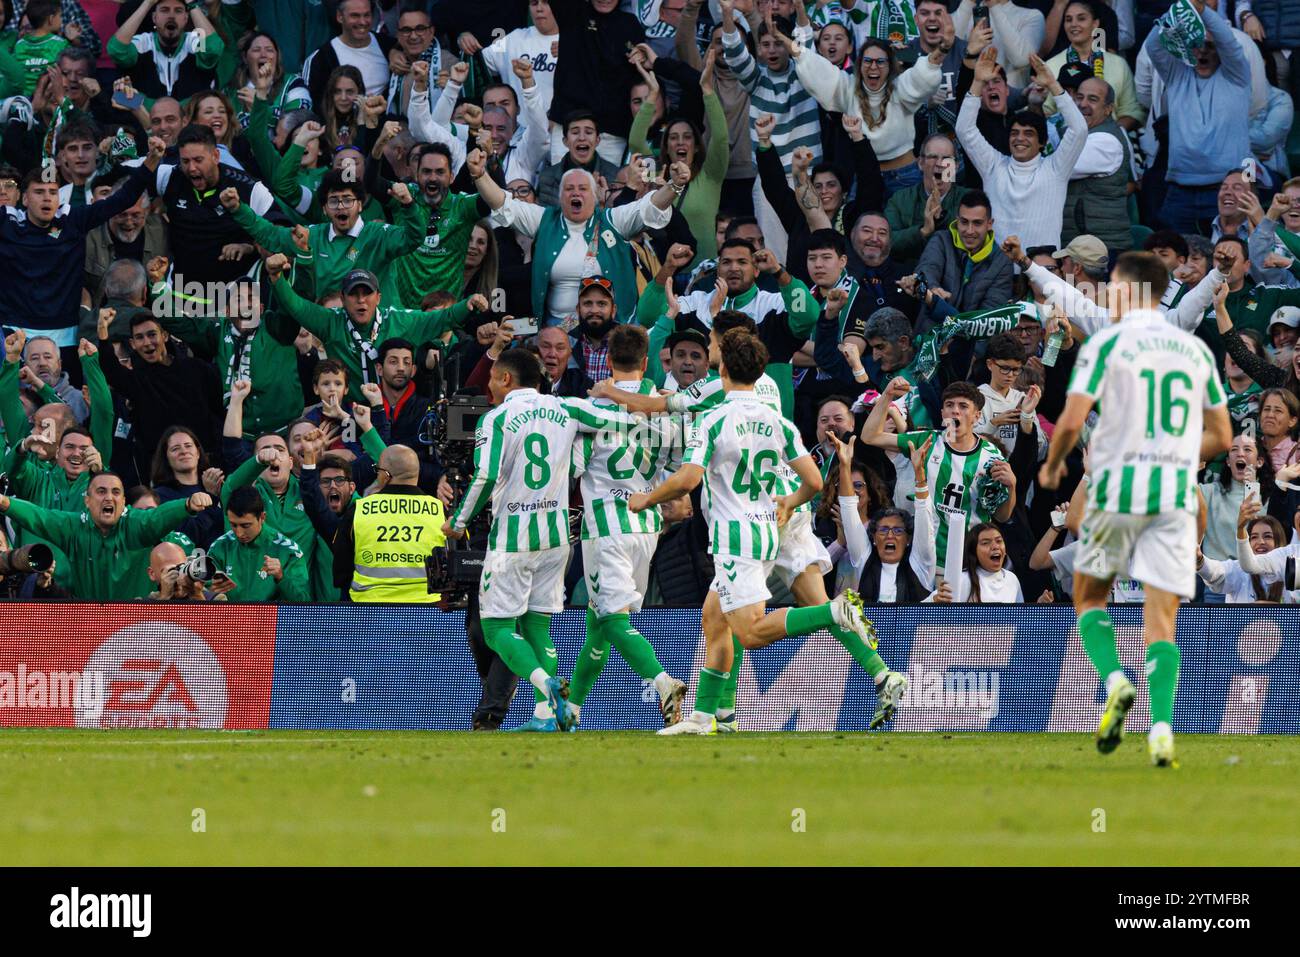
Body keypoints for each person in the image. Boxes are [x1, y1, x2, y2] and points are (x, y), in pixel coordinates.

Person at [1039, 250, 1233, 768]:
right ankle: (1163, 729)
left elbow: (1075, 418)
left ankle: (1116, 681)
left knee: (1088, 598)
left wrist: (1055, 464)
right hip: (1172, 495)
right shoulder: (1191, 352)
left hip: (1118, 490)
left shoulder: (1106, 343)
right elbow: (1223, 433)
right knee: (1162, 620)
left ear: (1129, 290)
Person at [629, 329, 876, 736]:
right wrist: (789, 501)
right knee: (714, 617)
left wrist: (648, 499)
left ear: (722, 368)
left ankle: (834, 611)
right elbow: (814, 481)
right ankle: (707, 717)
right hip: (766, 531)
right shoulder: (776, 420)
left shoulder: (712, 418)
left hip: (734, 538)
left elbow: (688, 479)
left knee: (751, 631)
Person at [443, 348, 635, 732]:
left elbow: (483, 476)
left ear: (506, 379)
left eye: (492, 379)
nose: (489, 388)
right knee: (537, 628)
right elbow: (620, 420)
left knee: (498, 630)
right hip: (556, 538)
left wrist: (458, 521)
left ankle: (545, 685)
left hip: (512, 540)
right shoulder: (566, 408)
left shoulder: (496, 419)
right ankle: (546, 719)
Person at [565, 324, 689, 728]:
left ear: (606, 361)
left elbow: (575, 467)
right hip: (647, 524)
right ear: (648, 361)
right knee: (599, 618)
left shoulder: (590, 408)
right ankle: (571, 709)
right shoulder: (669, 411)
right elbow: (675, 468)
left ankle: (663, 682)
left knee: (612, 615)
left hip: (605, 527)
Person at [472, 147, 683, 326]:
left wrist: (675, 185)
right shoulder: (544, 219)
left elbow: (650, 206)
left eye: (583, 189)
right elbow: (502, 203)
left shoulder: (614, 220)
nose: (576, 193)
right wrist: (479, 175)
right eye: (569, 189)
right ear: (559, 197)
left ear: (594, 196)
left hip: (612, 328)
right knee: (511, 336)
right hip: (555, 329)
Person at [0, 136, 163, 351]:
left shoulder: (73, 221)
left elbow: (121, 199)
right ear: (25, 199)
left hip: (65, 333)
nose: (47, 198)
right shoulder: (7, 223)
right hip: (13, 329)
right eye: (39, 192)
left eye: (52, 192)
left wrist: (151, 161)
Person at [265, 255, 489, 404]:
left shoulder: (399, 321)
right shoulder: (330, 321)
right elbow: (297, 306)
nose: (361, 300)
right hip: (349, 415)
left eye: (367, 293)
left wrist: (467, 305)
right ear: (343, 298)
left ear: (378, 297)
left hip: (396, 411)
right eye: (354, 294)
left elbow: (443, 318)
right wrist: (277, 279)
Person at [862, 377, 1018, 560]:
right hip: (924, 557)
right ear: (942, 412)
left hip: (967, 559)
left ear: (977, 415)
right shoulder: (926, 440)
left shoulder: (991, 458)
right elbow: (870, 436)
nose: (955, 411)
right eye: (950, 405)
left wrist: (1011, 486)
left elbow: (1001, 515)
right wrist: (887, 396)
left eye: (963, 406)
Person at [0, 471, 211, 599]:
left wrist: (187, 505)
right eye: (101, 492)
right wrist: (3, 502)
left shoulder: (137, 524)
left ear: (124, 501)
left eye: (116, 492)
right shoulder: (73, 527)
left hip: (136, 622)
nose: (109, 497)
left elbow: (158, 517)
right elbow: (40, 516)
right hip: (88, 623)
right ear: (87, 501)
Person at [958, 48, 1086, 248]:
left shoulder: (1056, 168)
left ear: (1042, 143)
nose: (1020, 139)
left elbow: (1078, 130)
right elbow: (964, 129)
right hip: (999, 273)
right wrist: (977, 82)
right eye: (1015, 133)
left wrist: (1053, 85)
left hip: (1044, 271)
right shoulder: (993, 166)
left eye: (1029, 134)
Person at [1145, 0, 1252, 234]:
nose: (1202, 51)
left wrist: (1202, 10)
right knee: (1177, 260)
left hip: (1225, 188)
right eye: (1195, 45)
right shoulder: (1176, 74)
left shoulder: (1236, 76)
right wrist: (1180, 8)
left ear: (1220, 51)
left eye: (1210, 47)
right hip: (1179, 189)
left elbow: (1228, 42)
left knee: (1227, 257)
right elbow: (1153, 45)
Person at [332, 444, 445, 602]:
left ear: (385, 475)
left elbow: (340, 574)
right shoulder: (441, 511)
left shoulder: (358, 510)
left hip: (370, 612)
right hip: (428, 611)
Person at [913, 189, 1015, 329]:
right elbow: (926, 269)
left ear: (990, 224)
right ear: (957, 219)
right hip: (930, 338)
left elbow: (990, 317)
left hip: (971, 343)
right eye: (964, 222)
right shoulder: (941, 240)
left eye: (977, 223)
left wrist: (974, 351)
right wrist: (932, 288)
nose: (969, 230)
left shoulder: (1002, 262)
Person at [208, 485, 311, 601]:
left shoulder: (289, 551)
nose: (239, 533)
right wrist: (210, 590)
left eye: (245, 525)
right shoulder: (219, 547)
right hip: (229, 618)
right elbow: (203, 593)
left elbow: (304, 602)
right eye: (233, 525)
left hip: (271, 618)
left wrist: (281, 577)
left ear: (262, 517)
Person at [108, 0, 221, 103]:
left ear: (186, 18)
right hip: (145, 118)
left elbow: (214, 49)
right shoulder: (143, 42)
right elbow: (116, 50)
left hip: (192, 120)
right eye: (164, 10)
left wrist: (192, 4)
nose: (171, 16)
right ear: (154, 17)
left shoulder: (193, 41)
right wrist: (147, 3)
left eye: (178, 11)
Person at [884, 132, 969, 267]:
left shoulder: (969, 199)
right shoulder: (899, 199)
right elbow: (887, 241)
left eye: (947, 158)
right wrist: (922, 231)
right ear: (920, 163)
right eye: (933, 157)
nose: (940, 164)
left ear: (956, 166)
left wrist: (941, 218)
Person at [301, 0, 394, 102]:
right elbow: (311, 107)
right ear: (340, 17)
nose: (362, 22)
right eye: (355, 16)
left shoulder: (389, 47)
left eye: (367, 15)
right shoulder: (320, 59)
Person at [931, 522, 1025, 602]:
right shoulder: (962, 580)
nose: (995, 546)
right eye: (985, 543)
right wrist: (935, 601)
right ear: (973, 551)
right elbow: (921, 612)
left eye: (999, 541)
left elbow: (1020, 618)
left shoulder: (1012, 579)